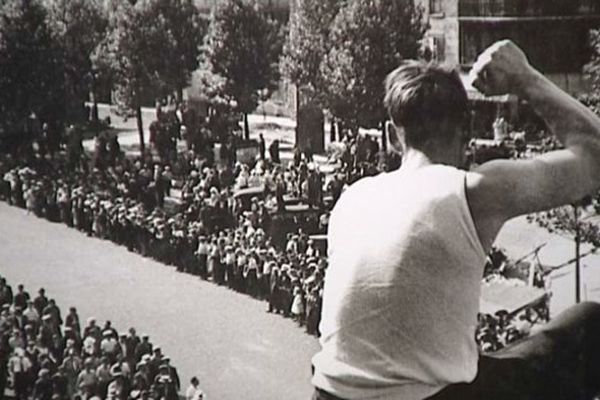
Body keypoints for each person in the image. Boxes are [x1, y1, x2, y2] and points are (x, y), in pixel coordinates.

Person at [311, 40, 600, 400]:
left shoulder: (350, 200)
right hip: (427, 398)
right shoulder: (473, 191)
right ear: (467, 137)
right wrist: (526, 79)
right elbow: (595, 156)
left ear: (390, 137)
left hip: (327, 392)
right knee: (588, 321)